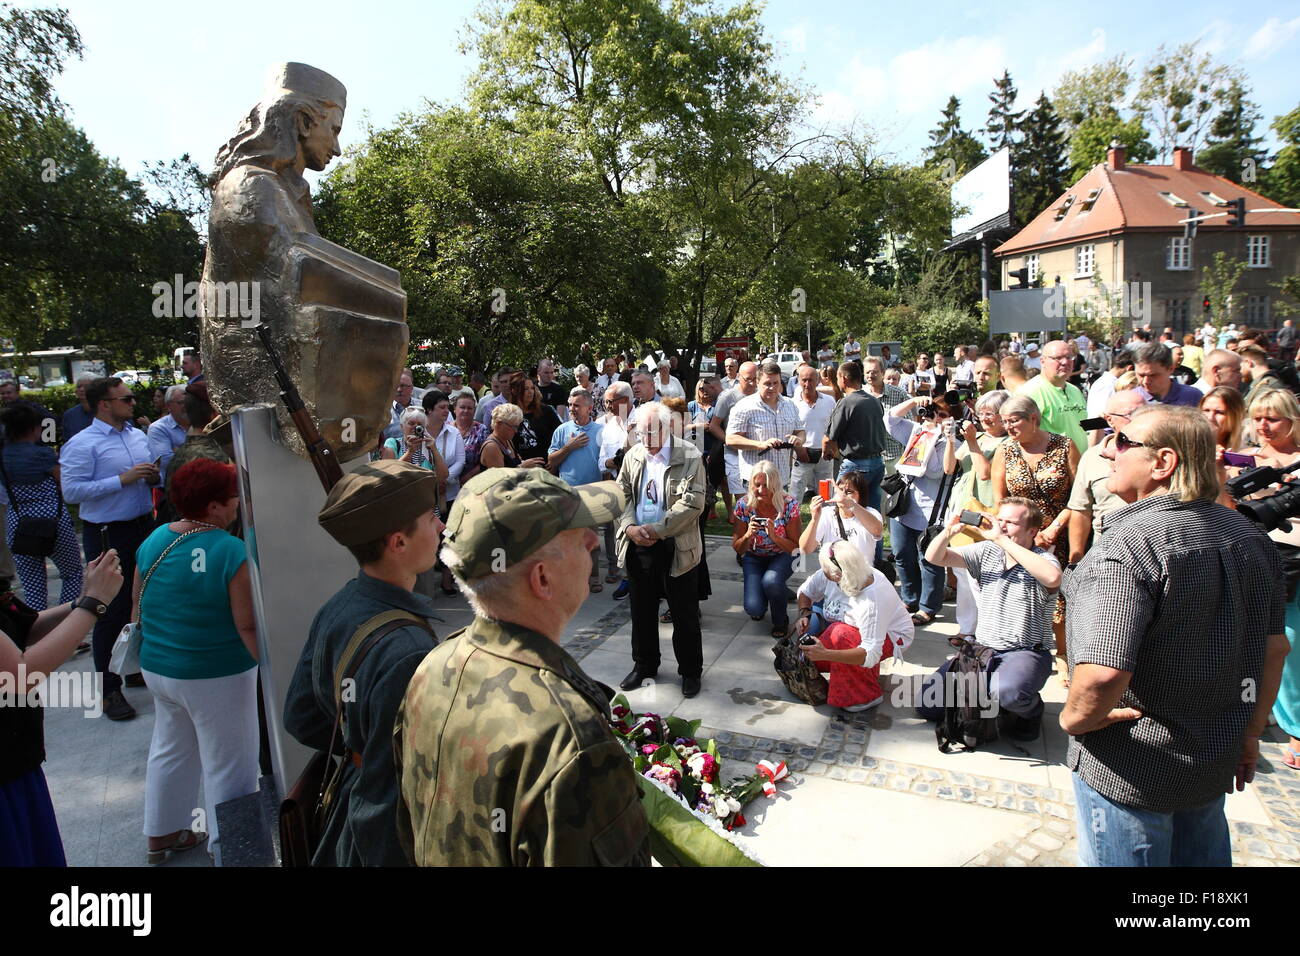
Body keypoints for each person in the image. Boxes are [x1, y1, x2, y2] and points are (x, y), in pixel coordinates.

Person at [1061, 405, 1288, 867]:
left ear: (1163, 463)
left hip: (1131, 766)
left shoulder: (1130, 545)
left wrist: (1073, 720)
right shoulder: (1250, 537)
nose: (1108, 452)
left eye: (1124, 443)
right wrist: (1249, 734)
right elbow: (1274, 649)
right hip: (1211, 758)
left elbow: (1103, 673)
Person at [395, 467, 647, 866]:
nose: (592, 543)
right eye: (578, 536)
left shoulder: (433, 666)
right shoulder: (569, 739)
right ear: (542, 579)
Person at [283, 461, 441, 866]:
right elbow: (390, 793)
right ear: (398, 544)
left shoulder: (342, 604)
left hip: (346, 801)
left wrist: (357, 745)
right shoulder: (409, 650)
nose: (440, 528)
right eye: (430, 518)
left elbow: (301, 716)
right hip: (374, 838)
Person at [134, 459, 258, 863]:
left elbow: (138, 608)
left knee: (170, 749)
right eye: (233, 497)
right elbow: (247, 626)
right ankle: (234, 849)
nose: (238, 504)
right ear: (215, 506)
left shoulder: (153, 540)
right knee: (231, 765)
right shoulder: (230, 549)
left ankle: (162, 835)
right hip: (216, 673)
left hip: (159, 668)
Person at [0, 548, 124, 865]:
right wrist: (92, 606)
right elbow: (17, 677)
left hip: (17, 764)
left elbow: (20, 626)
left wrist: (82, 600)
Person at [58, 377, 160, 721]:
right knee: (110, 609)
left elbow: (148, 476)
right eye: (126, 399)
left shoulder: (135, 435)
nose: (133, 404)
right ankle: (108, 689)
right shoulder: (82, 443)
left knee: (141, 601)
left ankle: (131, 666)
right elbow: (71, 492)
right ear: (105, 403)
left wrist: (150, 477)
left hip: (143, 525)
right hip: (108, 533)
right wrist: (122, 479)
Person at [920, 498, 1062, 739]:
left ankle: (1030, 710)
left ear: (1032, 530)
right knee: (928, 703)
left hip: (1025, 651)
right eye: (1000, 520)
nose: (1002, 526)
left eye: (1011, 522)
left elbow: (1052, 578)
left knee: (1007, 692)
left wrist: (1000, 539)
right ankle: (991, 704)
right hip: (982, 650)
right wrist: (948, 532)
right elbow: (935, 557)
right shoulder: (987, 552)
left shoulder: (1042, 559)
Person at [616, 403, 706, 695]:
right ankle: (644, 665)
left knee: (684, 614)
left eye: (651, 432)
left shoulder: (689, 455)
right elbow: (622, 495)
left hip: (676, 544)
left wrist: (658, 529)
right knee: (641, 611)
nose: (646, 439)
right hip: (639, 543)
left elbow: (693, 502)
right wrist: (630, 528)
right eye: (641, 433)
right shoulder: (633, 455)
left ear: (668, 428)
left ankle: (690, 672)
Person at [991, 394, 1078, 661]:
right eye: (1004, 422)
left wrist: (1054, 529)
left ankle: (1063, 655)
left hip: (1059, 535)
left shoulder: (1064, 446)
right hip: (1019, 538)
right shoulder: (1005, 450)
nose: (1008, 428)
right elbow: (1000, 501)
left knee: (1060, 599)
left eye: (1014, 421)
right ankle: (1022, 651)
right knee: (1022, 595)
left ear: (1033, 419)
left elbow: (1080, 497)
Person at [1241, 389, 1300, 771]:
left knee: (1287, 642)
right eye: (1258, 417)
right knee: (1248, 637)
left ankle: (1295, 726)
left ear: (1293, 420)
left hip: (1293, 557)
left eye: (1273, 419)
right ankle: (1254, 712)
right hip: (1251, 553)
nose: (1263, 426)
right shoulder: (1242, 456)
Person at [795, 542, 913, 711]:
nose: (822, 571)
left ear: (838, 576)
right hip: (849, 628)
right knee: (813, 655)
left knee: (841, 636)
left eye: (825, 569)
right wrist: (804, 613)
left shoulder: (872, 599)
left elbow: (870, 652)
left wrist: (828, 653)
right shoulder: (831, 572)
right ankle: (860, 672)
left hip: (893, 636)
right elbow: (806, 591)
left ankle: (866, 696)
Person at [0, 405, 82, 611]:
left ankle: (38, 631)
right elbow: (63, 482)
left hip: (18, 522)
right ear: (35, 428)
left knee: (32, 585)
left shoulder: (3, 456)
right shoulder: (43, 454)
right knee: (72, 573)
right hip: (53, 521)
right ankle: (64, 625)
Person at [884, 392, 957, 624]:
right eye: (932, 412)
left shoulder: (949, 442)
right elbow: (890, 419)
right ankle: (910, 598)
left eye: (941, 415)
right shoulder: (915, 431)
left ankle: (928, 606)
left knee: (928, 558)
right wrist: (915, 402)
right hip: (903, 505)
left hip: (930, 510)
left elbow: (936, 472)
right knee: (902, 554)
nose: (934, 418)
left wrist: (936, 438)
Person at [943, 390, 1011, 636]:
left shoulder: (1007, 443)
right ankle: (967, 628)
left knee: (981, 575)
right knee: (962, 572)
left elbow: (985, 473)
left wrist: (971, 441)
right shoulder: (979, 437)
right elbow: (949, 468)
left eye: (990, 414)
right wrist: (951, 440)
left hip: (987, 511)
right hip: (963, 509)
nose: (984, 418)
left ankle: (985, 631)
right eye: (980, 413)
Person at [1068, 390, 1147, 560]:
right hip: (1105, 552)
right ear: (1110, 419)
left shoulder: (1155, 455)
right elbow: (1080, 510)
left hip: (1148, 548)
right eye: (1132, 414)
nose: (1140, 419)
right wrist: (1075, 560)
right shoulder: (1091, 457)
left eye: (1145, 412)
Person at [732, 460, 801, 638]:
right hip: (754, 556)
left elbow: (796, 546)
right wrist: (747, 535)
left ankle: (781, 620)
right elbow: (738, 549)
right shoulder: (743, 505)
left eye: (767, 485)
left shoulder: (789, 504)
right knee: (754, 609)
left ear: (776, 485)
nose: (761, 490)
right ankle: (778, 589)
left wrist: (775, 537)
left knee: (770, 581)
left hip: (784, 554)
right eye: (757, 485)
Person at [548, 388, 605, 591]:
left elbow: (606, 463)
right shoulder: (562, 430)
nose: (572, 408)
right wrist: (568, 447)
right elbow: (551, 461)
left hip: (593, 492)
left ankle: (593, 577)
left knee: (591, 537)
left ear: (589, 408)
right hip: (567, 492)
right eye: (570, 404)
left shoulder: (600, 431)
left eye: (577, 405)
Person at [726, 360, 804, 493]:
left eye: (776, 383)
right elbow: (731, 439)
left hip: (782, 478)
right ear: (757, 382)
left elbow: (800, 432)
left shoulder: (790, 405)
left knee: (780, 514)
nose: (772, 388)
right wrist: (760, 444)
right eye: (767, 384)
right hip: (756, 481)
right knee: (758, 515)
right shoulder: (744, 406)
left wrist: (798, 440)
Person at [823, 359, 886, 519]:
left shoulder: (846, 402)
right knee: (872, 514)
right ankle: (873, 544)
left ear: (843, 378)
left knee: (842, 512)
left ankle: (843, 544)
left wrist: (826, 453)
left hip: (855, 465)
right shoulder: (874, 401)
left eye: (837, 378)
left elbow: (829, 438)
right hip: (878, 464)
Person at [798, 469, 883, 564]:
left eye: (849, 492)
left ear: (861, 495)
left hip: (861, 575)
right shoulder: (827, 513)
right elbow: (804, 549)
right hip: (832, 575)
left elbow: (877, 530)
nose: (842, 495)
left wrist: (851, 504)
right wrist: (814, 519)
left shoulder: (872, 513)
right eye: (840, 490)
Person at [1016, 340, 1087, 451]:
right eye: (1058, 358)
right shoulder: (1030, 392)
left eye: (1069, 357)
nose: (1065, 362)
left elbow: (1081, 426)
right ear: (1042, 361)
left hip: (1079, 464)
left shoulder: (1075, 391)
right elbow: (1021, 436)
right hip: (1051, 465)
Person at [789, 364, 835, 506]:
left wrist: (831, 448)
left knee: (827, 494)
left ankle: (828, 522)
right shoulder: (791, 404)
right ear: (798, 380)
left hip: (824, 455)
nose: (807, 384)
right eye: (804, 380)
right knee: (795, 493)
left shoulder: (829, 401)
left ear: (818, 381)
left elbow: (834, 427)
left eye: (811, 380)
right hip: (802, 454)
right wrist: (798, 449)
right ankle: (792, 523)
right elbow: (790, 431)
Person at [507, 372, 561, 464]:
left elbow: (560, 435)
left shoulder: (546, 411)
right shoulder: (508, 414)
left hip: (547, 466)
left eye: (532, 388)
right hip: (522, 468)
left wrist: (554, 460)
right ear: (514, 390)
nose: (530, 392)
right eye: (526, 389)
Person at [1085, 349, 1136, 445]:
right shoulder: (1107, 385)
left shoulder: (1108, 382)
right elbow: (1096, 419)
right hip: (1101, 440)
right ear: (1129, 369)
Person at [1131, 342, 1202, 407]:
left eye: (1153, 375)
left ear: (1171, 369)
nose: (1146, 381)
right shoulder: (1129, 400)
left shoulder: (1193, 397)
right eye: (1141, 375)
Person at [146, 385, 189, 486]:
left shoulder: (200, 423)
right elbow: (167, 462)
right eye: (181, 402)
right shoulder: (158, 428)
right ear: (169, 406)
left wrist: (179, 452)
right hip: (174, 489)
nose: (187, 406)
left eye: (189, 402)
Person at [480, 403, 542, 470]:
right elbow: (500, 478)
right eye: (513, 427)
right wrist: (522, 466)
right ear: (499, 424)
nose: (516, 431)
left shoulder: (507, 440)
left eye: (517, 426)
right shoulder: (491, 447)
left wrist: (529, 464)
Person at [60, 375, 98, 442]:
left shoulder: (106, 412)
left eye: (86, 386)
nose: (81, 389)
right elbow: (67, 440)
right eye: (79, 386)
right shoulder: (69, 415)